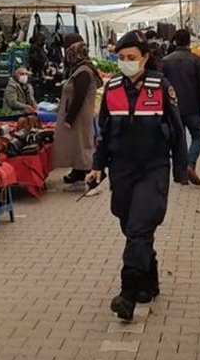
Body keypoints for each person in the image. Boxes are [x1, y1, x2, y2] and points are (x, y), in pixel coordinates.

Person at [87, 31, 188, 322]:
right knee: (130, 226)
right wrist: (97, 166)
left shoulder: (161, 86)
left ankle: (128, 294)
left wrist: (181, 168)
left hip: (153, 168)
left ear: (144, 57)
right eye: (121, 58)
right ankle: (149, 280)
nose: (126, 62)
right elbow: (103, 133)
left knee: (140, 229)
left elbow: (177, 129)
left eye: (131, 58)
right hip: (122, 170)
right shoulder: (113, 88)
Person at [53, 34, 103, 192]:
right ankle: (80, 175)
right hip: (79, 116)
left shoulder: (83, 71)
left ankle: (91, 180)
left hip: (79, 117)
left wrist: (70, 118)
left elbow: (79, 97)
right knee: (78, 146)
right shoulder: (80, 69)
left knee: (83, 147)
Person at [163, 29, 200, 186]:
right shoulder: (196, 60)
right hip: (192, 106)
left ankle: (182, 175)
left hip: (172, 108)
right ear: (189, 41)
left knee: (179, 140)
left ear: (176, 41)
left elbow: (161, 86)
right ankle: (190, 163)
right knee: (198, 136)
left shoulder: (166, 60)